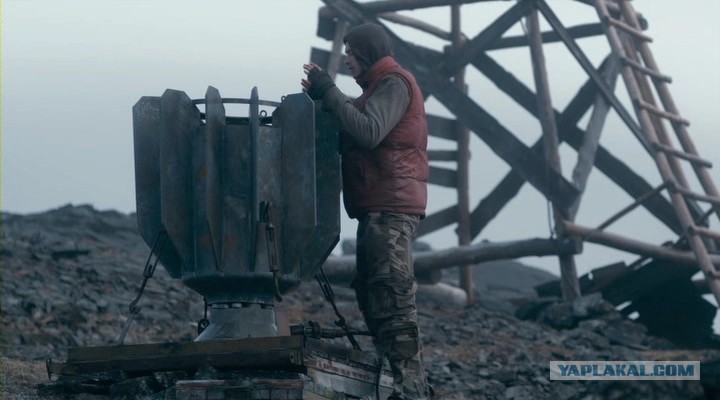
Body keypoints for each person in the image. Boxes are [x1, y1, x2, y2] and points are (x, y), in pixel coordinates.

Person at [301, 23, 430, 400]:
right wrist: (323, 100)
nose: (347, 59)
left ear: (368, 52)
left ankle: (411, 390)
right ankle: (399, 383)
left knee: (392, 298)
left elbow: (370, 131)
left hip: (392, 207)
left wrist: (330, 91)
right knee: (372, 295)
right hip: (376, 208)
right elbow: (351, 128)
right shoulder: (373, 91)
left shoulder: (394, 83)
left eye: (352, 52)